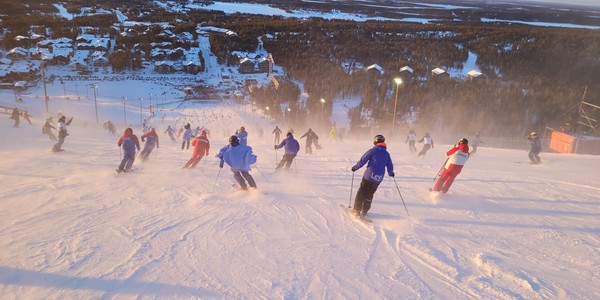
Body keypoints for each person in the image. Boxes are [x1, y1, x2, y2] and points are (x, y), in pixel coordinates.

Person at [350, 134, 394, 217]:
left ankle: (356, 210)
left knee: (361, 192)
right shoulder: (386, 154)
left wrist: (355, 168)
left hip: (369, 176)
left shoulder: (372, 151)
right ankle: (364, 211)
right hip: (378, 178)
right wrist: (391, 173)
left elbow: (362, 161)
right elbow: (390, 165)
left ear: (375, 141)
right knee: (370, 194)